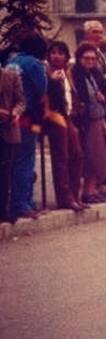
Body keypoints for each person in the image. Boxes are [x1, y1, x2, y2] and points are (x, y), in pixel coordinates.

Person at [6, 33, 48, 219]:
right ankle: (21, 204)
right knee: (25, 160)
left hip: (9, 118)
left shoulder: (11, 62)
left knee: (12, 162)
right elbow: (41, 90)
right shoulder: (34, 64)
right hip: (27, 117)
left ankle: (18, 201)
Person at [44, 41, 86, 212]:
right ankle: (65, 197)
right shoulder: (46, 73)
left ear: (66, 56)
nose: (56, 56)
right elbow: (46, 97)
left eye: (60, 53)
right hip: (55, 116)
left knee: (77, 155)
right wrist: (52, 82)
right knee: (61, 157)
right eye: (53, 52)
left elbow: (72, 96)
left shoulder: (68, 73)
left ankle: (75, 195)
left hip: (68, 116)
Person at [71, 42, 106, 204]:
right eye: (86, 58)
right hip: (86, 122)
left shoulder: (95, 73)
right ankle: (87, 192)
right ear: (79, 58)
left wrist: (104, 97)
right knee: (91, 157)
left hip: (99, 117)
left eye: (93, 58)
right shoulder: (75, 74)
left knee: (100, 157)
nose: (90, 61)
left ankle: (93, 189)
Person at [0, 66, 25, 223]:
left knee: (5, 171)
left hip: (7, 128)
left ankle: (3, 210)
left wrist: (16, 113)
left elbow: (21, 101)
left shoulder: (11, 76)